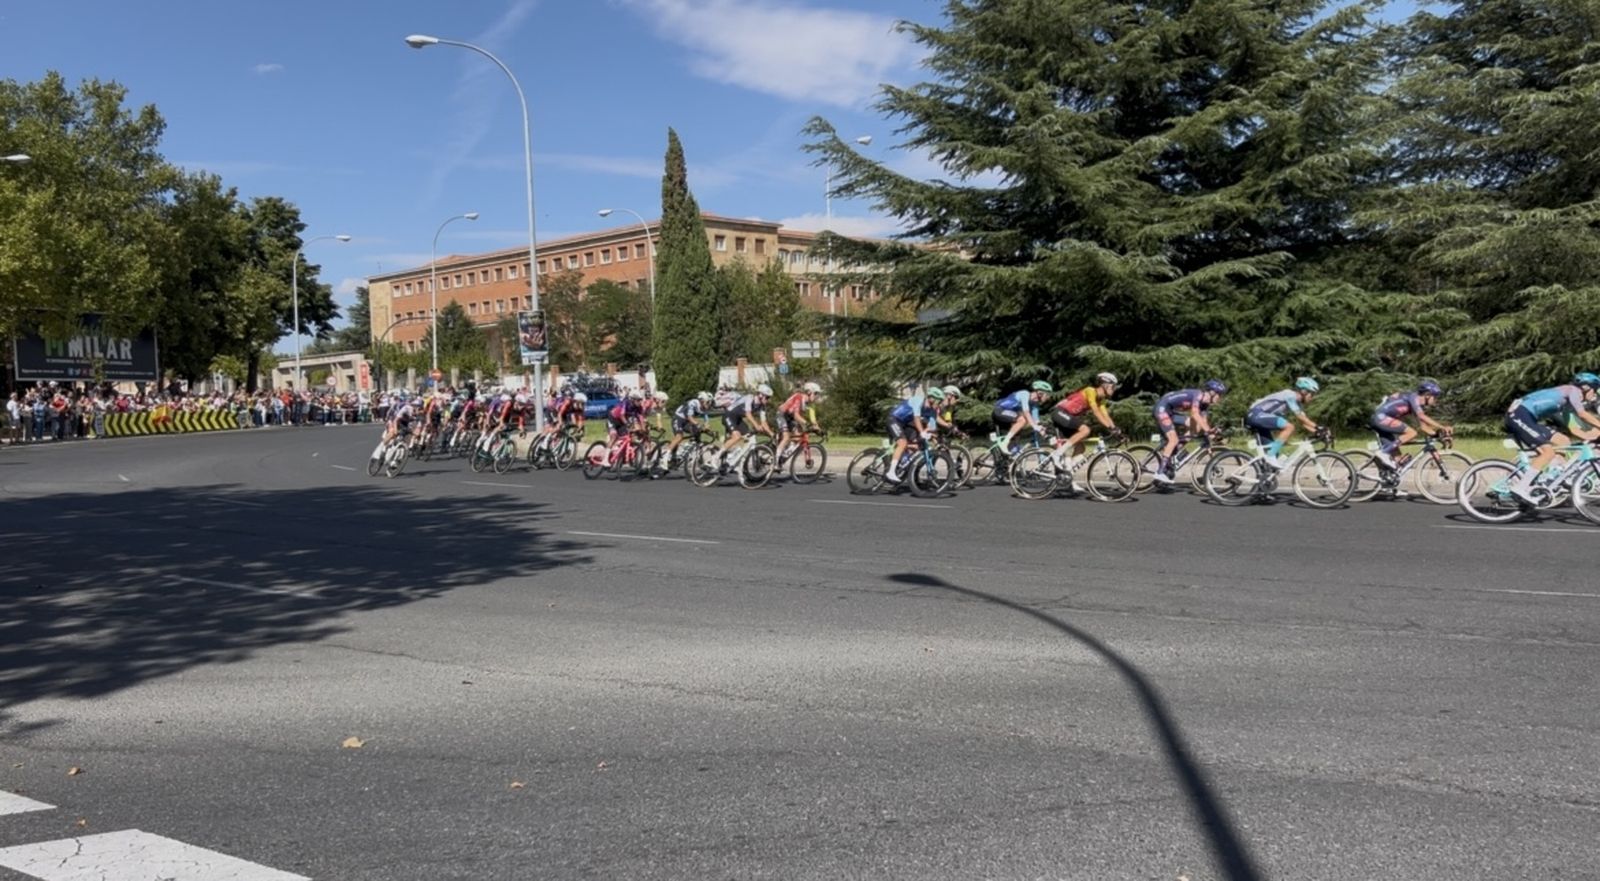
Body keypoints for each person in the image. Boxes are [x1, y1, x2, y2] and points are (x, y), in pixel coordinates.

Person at [1503, 373, 1600, 504]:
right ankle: (1520, 487)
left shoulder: (1567, 402)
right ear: (1586, 387)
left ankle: (1551, 476)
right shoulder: (1573, 391)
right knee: (1548, 452)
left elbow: (1574, 430)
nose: (1594, 394)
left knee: (1563, 440)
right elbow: (1582, 415)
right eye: (1595, 390)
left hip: (1527, 417)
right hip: (1519, 415)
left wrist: (1594, 438)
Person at [1152, 380, 1227, 484]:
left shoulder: (1205, 405)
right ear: (1212, 392)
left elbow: (1203, 423)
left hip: (1170, 412)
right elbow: (1195, 414)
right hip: (1162, 409)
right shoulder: (1198, 395)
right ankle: (1160, 473)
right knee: (1173, 439)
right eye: (1219, 395)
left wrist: (1213, 436)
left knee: (1196, 428)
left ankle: (1175, 450)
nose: (1220, 398)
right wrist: (1209, 430)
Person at [1245, 377, 1322, 469]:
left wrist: (1319, 431)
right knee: (1289, 427)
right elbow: (1300, 417)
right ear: (1304, 391)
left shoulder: (1297, 403)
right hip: (1255, 415)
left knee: (1274, 452)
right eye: (1312, 394)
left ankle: (1264, 477)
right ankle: (1270, 457)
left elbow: (1304, 422)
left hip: (1259, 418)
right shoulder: (1290, 395)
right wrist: (1318, 427)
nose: (1312, 398)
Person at [1371, 380, 1448, 470]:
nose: (1435, 400)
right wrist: (1442, 427)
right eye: (1434, 397)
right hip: (1381, 417)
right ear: (1427, 395)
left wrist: (1437, 435)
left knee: (1397, 461)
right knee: (1412, 433)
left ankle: (1388, 478)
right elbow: (1421, 416)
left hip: (1380, 419)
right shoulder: (1414, 397)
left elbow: (1423, 427)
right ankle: (1383, 453)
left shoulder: (1415, 404)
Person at [1052, 373, 1121, 464]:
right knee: (1085, 430)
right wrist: (1109, 427)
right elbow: (1096, 412)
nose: (1114, 390)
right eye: (1113, 387)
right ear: (1105, 385)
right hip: (1060, 412)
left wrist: (1115, 429)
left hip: (1069, 417)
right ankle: (1057, 453)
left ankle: (1067, 469)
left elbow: (1106, 416)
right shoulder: (1090, 391)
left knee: (1081, 448)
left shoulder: (1101, 400)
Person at [886, 385, 945, 484]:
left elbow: (932, 427)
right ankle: (891, 472)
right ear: (931, 398)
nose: (939, 404)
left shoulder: (931, 410)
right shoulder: (919, 401)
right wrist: (922, 432)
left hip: (905, 424)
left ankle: (901, 460)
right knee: (903, 443)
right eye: (939, 401)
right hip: (894, 419)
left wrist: (935, 439)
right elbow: (916, 418)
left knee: (918, 445)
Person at [720, 384, 774, 462]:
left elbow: (764, 422)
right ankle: (716, 457)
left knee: (749, 436)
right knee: (736, 436)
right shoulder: (750, 398)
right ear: (760, 395)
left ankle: (734, 455)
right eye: (767, 397)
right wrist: (756, 425)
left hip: (737, 419)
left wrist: (772, 434)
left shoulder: (762, 406)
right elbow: (748, 414)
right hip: (729, 415)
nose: (768, 400)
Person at [994, 381, 1053, 451]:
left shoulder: (1034, 405)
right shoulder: (1025, 394)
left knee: (1018, 432)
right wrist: (1034, 426)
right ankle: (1004, 443)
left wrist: (1043, 433)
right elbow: (1026, 412)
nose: (1048, 397)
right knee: (1022, 420)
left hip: (1009, 416)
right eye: (1047, 394)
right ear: (1040, 393)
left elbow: (1036, 422)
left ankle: (1010, 453)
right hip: (999, 410)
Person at [775, 382, 822, 463]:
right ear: (809, 392)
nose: (817, 396)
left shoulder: (811, 404)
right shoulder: (799, 397)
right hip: (782, 415)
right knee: (786, 437)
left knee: (797, 437)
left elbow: (813, 420)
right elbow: (796, 415)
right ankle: (775, 462)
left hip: (790, 417)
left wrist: (819, 430)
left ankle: (783, 456)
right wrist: (807, 424)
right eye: (816, 393)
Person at [667, 391, 713, 467]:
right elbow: (690, 417)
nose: (709, 404)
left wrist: (707, 427)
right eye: (708, 402)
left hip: (686, 421)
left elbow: (706, 419)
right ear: (702, 400)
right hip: (678, 418)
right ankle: (666, 456)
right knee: (679, 436)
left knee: (697, 433)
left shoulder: (703, 407)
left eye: (710, 402)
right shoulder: (694, 403)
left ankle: (688, 449)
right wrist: (699, 425)